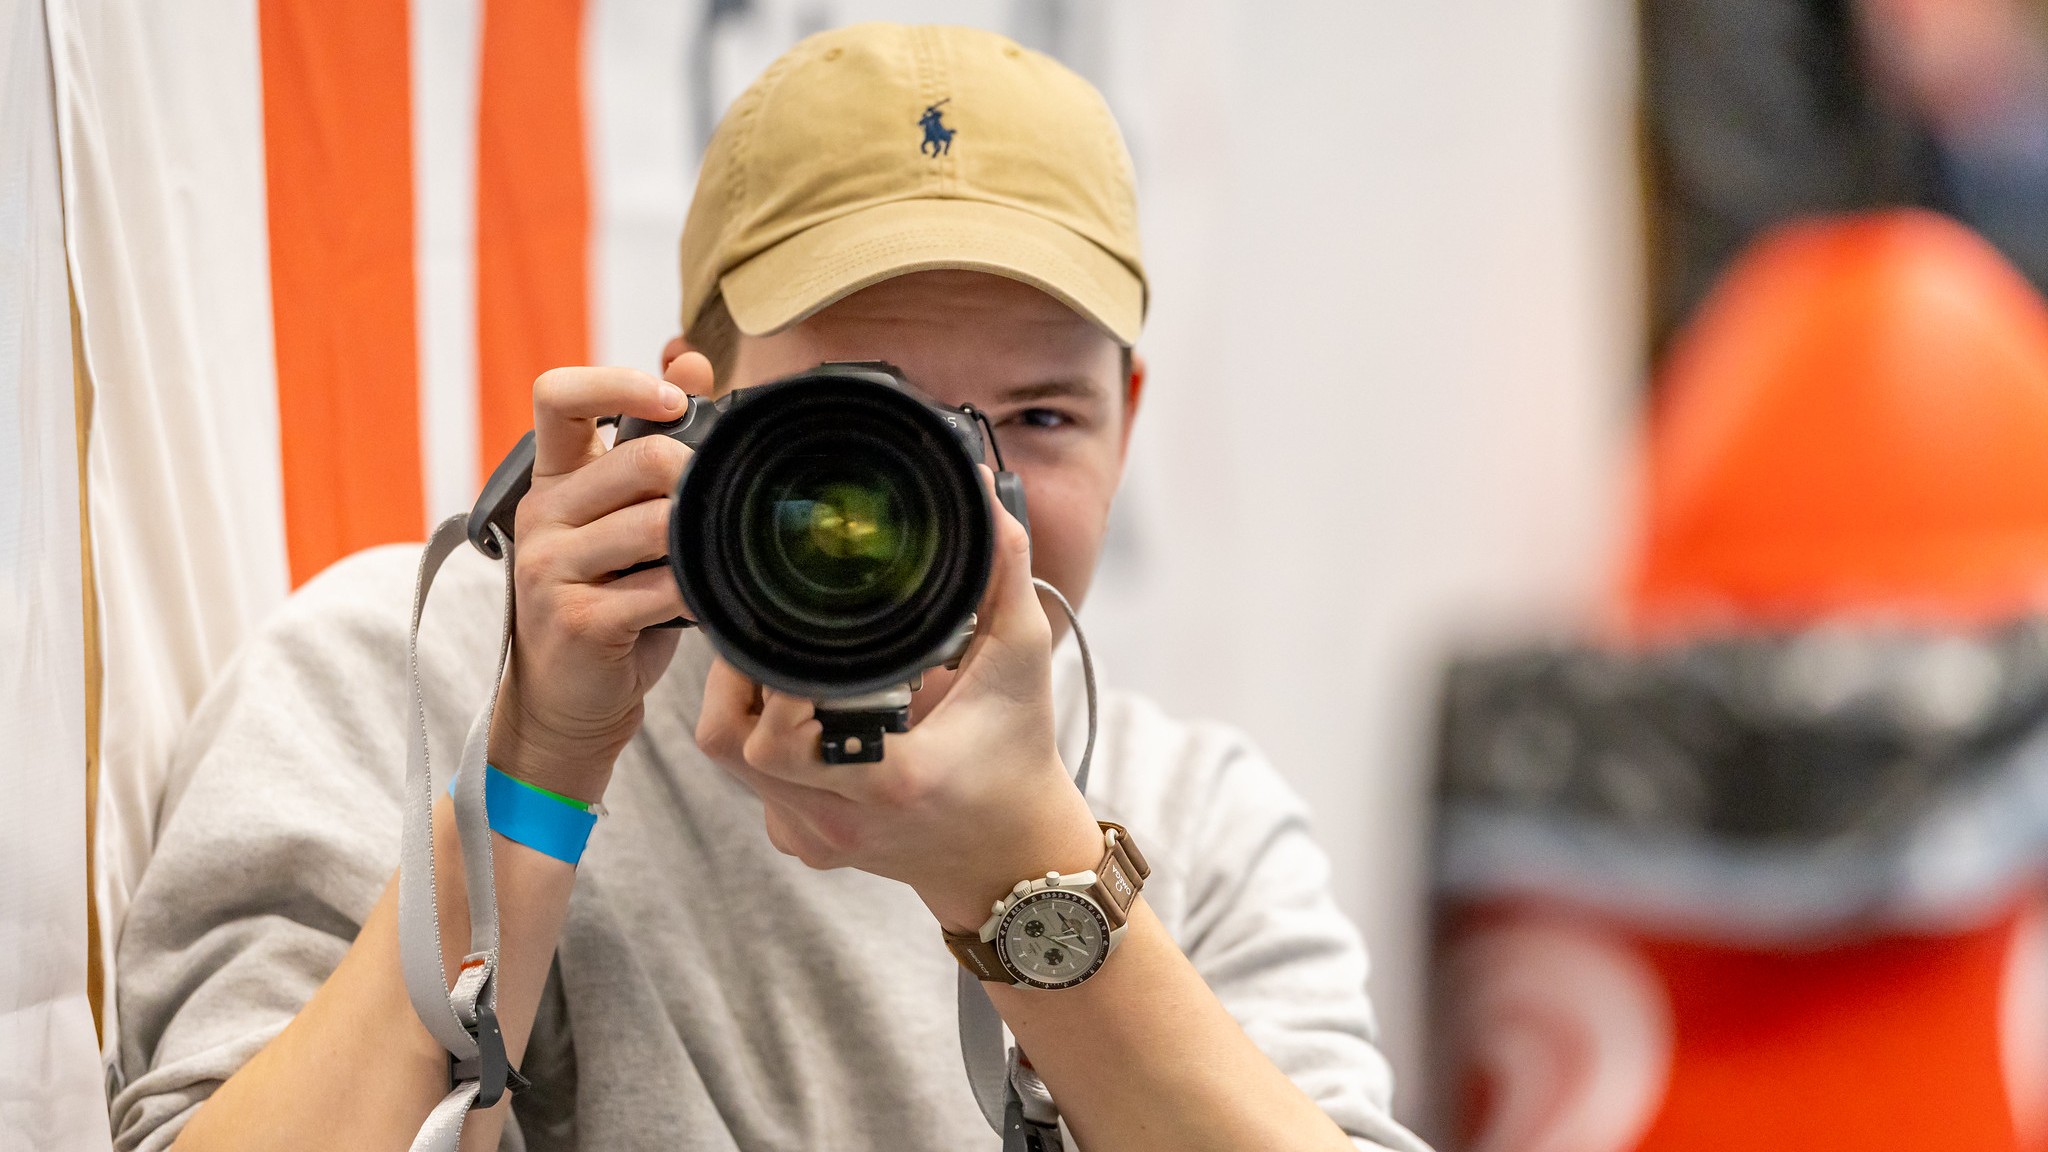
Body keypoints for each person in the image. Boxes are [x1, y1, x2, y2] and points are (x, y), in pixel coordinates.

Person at [110, 23, 1427, 1152]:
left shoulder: (1192, 823)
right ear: (696, 405)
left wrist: (1027, 870)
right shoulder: (401, 682)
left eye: (1036, 417)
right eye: (868, 419)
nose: (956, 494)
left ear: (1127, 424)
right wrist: (534, 769)